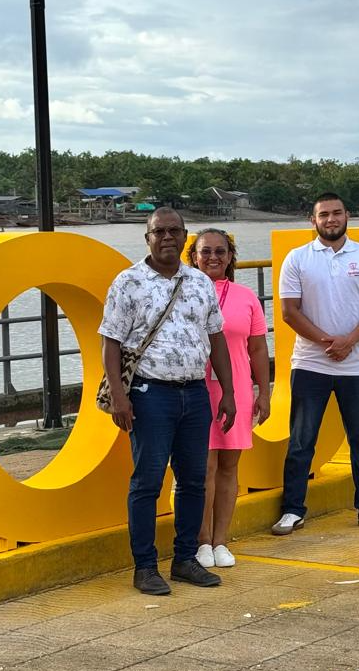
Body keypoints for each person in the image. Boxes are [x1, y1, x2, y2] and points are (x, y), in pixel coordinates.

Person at [99, 207, 237, 596]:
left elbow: (216, 339)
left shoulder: (199, 282)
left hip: (195, 393)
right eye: (159, 231)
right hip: (149, 394)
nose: (167, 237)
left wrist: (227, 391)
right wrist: (120, 397)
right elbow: (110, 342)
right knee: (147, 482)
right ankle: (145, 567)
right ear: (148, 237)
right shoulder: (128, 283)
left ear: (184, 236)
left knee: (194, 481)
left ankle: (185, 559)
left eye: (174, 231)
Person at [272, 192, 359, 534]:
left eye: (336, 213)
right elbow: (289, 311)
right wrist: (325, 341)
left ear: (347, 216)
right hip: (310, 364)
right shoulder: (297, 258)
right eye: (323, 215)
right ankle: (292, 510)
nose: (331, 219)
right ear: (312, 220)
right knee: (302, 440)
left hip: (357, 364)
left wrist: (349, 341)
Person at [187, 229, 271, 569]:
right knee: (200, 467)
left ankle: (221, 541)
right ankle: (201, 540)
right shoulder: (183, 292)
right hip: (194, 389)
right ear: (193, 256)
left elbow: (258, 348)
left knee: (228, 467)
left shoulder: (246, 296)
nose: (213, 258)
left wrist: (263, 392)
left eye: (220, 252)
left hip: (234, 390)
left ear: (230, 256)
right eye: (206, 251)